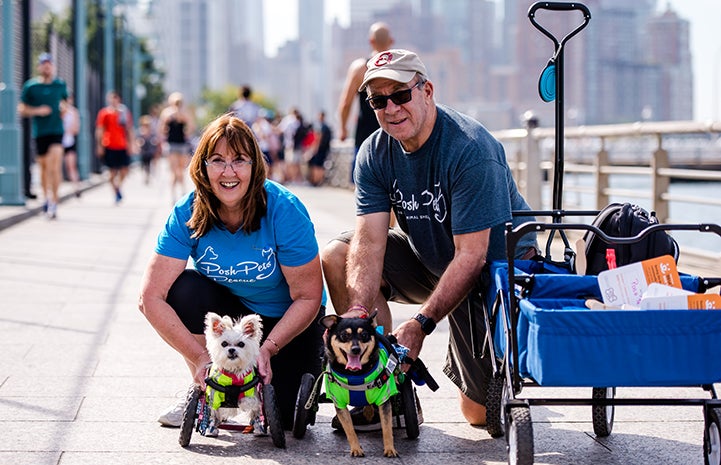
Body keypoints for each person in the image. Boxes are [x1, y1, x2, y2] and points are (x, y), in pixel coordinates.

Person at [320, 49, 539, 430]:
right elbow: (370, 242)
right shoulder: (374, 152)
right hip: (433, 259)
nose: (391, 108)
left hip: (493, 268)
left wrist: (420, 323)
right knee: (338, 254)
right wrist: (357, 312)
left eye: (401, 95)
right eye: (378, 100)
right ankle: (386, 388)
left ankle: (486, 373)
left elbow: (472, 256)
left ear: (427, 91)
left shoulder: (470, 148)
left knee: (478, 416)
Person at [138, 113, 325, 431]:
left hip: (287, 321)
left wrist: (266, 350)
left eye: (239, 160)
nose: (228, 172)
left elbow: (308, 296)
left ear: (255, 166)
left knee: (290, 420)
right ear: (203, 166)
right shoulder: (188, 210)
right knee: (182, 288)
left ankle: (266, 385)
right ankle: (207, 388)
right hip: (230, 319)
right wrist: (201, 359)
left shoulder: (283, 209)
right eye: (217, 160)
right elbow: (150, 297)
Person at [337, 22, 394, 183]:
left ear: (371, 41)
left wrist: (343, 128)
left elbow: (345, 103)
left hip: (365, 135)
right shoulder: (399, 68)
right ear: (391, 41)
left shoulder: (359, 68)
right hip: (394, 133)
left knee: (362, 186)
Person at [18, 52, 68, 219]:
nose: (47, 66)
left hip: (56, 131)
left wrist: (64, 108)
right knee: (44, 168)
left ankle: (54, 201)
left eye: (49, 63)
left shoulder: (60, 85)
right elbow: (22, 109)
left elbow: (66, 103)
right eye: (43, 63)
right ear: (39, 66)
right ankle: (46, 198)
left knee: (55, 165)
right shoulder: (31, 87)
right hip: (40, 132)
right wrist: (37, 110)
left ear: (52, 66)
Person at [95, 90, 135, 203]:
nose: (114, 100)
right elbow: (100, 129)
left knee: (125, 170)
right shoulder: (104, 113)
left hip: (122, 145)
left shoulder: (124, 112)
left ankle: (118, 187)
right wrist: (99, 145)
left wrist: (132, 144)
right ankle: (116, 192)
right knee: (112, 172)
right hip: (109, 145)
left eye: (116, 98)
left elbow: (129, 129)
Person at [159, 92, 195, 201]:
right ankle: (175, 193)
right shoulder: (167, 113)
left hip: (182, 144)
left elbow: (191, 127)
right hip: (171, 144)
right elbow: (161, 128)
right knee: (174, 170)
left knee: (181, 170)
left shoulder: (185, 113)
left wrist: (183, 120)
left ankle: (180, 191)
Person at [62, 92, 81, 197]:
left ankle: (76, 187)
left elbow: (76, 129)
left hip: (69, 141)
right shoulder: (59, 110)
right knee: (55, 166)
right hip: (57, 142)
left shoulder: (73, 112)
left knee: (71, 166)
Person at [307, 111, 332, 187]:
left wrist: (314, 148)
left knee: (317, 165)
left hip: (320, 149)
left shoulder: (321, 127)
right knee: (321, 165)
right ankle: (320, 180)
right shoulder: (327, 127)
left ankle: (316, 180)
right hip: (326, 149)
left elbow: (318, 138)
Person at [137, 115, 162, 184]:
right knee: (144, 163)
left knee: (149, 163)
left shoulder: (152, 132)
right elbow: (138, 140)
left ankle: (148, 175)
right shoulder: (140, 131)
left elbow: (156, 140)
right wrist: (139, 144)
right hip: (144, 150)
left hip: (150, 150)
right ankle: (146, 174)